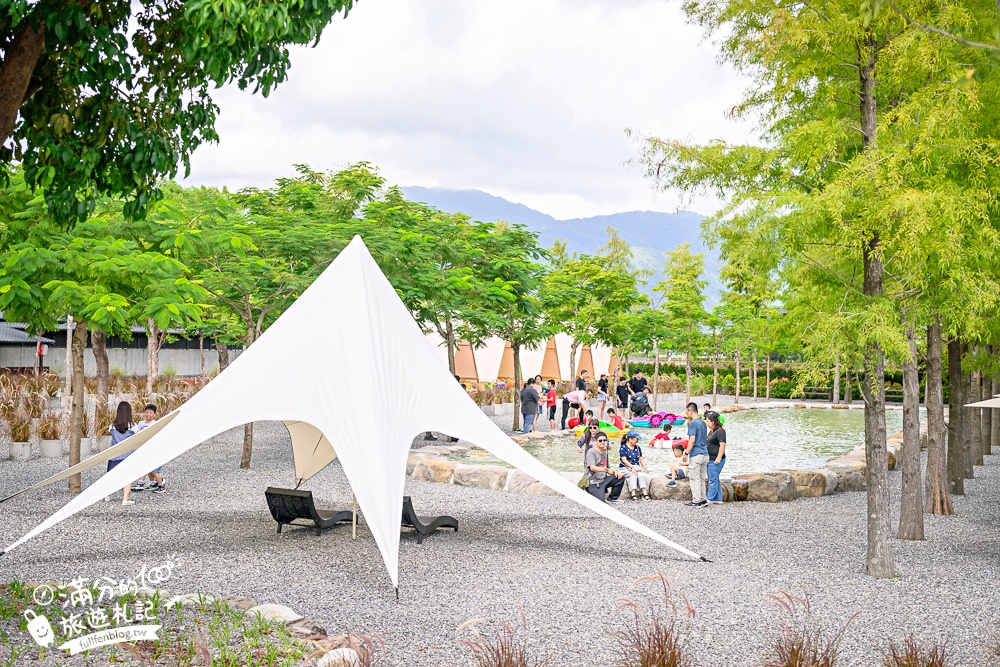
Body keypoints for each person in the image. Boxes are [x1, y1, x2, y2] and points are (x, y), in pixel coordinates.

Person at [107, 401, 136, 506]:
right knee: (127, 476)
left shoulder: (112, 425)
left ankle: (107, 494)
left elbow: (112, 436)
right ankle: (125, 498)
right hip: (128, 455)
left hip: (114, 454)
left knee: (111, 475)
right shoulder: (133, 425)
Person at [132, 404, 166, 494]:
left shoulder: (155, 424)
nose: (148, 414)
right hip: (143, 448)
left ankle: (142, 483)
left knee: (151, 468)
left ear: (154, 414)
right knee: (146, 466)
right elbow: (138, 434)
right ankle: (152, 483)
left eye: (151, 413)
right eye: (147, 412)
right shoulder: (141, 423)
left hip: (152, 448)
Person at [584, 432, 625, 503]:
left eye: (604, 440)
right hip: (593, 482)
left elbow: (608, 469)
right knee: (600, 502)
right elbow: (592, 467)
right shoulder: (591, 452)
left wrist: (616, 472)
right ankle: (592, 493)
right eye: (600, 440)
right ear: (596, 441)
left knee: (620, 477)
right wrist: (603, 470)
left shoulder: (605, 453)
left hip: (603, 480)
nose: (602, 442)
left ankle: (613, 498)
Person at [683, 402, 709, 507]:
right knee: (702, 477)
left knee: (694, 478)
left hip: (696, 453)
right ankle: (703, 499)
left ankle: (696, 500)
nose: (686, 414)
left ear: (691, 411)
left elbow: (692, 440)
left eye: (687, 412)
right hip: (705, 453)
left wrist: (686, 453)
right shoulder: (703, 423)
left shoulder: (693, 423)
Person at [619, 431, 652, 501]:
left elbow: (641, 458)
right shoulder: (623, 447)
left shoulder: (637, 447)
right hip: (625, 467)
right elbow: (624, 460)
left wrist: (644, 466)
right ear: (630, 439)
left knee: (640, 475)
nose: (637, 441)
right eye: (636, 439)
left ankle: (644, 492)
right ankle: (633, 493)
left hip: (636, 467)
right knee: (633, 475)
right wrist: (632, 467)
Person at [705, 411, 727, 504]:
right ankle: (718, 498)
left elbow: (722, 445)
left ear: (713, 421)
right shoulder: (711, 431)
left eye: (708, 421)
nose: (707, 423)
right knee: (715, 478)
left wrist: (718, 458)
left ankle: (709, 498)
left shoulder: (720, 432)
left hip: (716, 459)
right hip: (710, 458)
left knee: (712, 479)